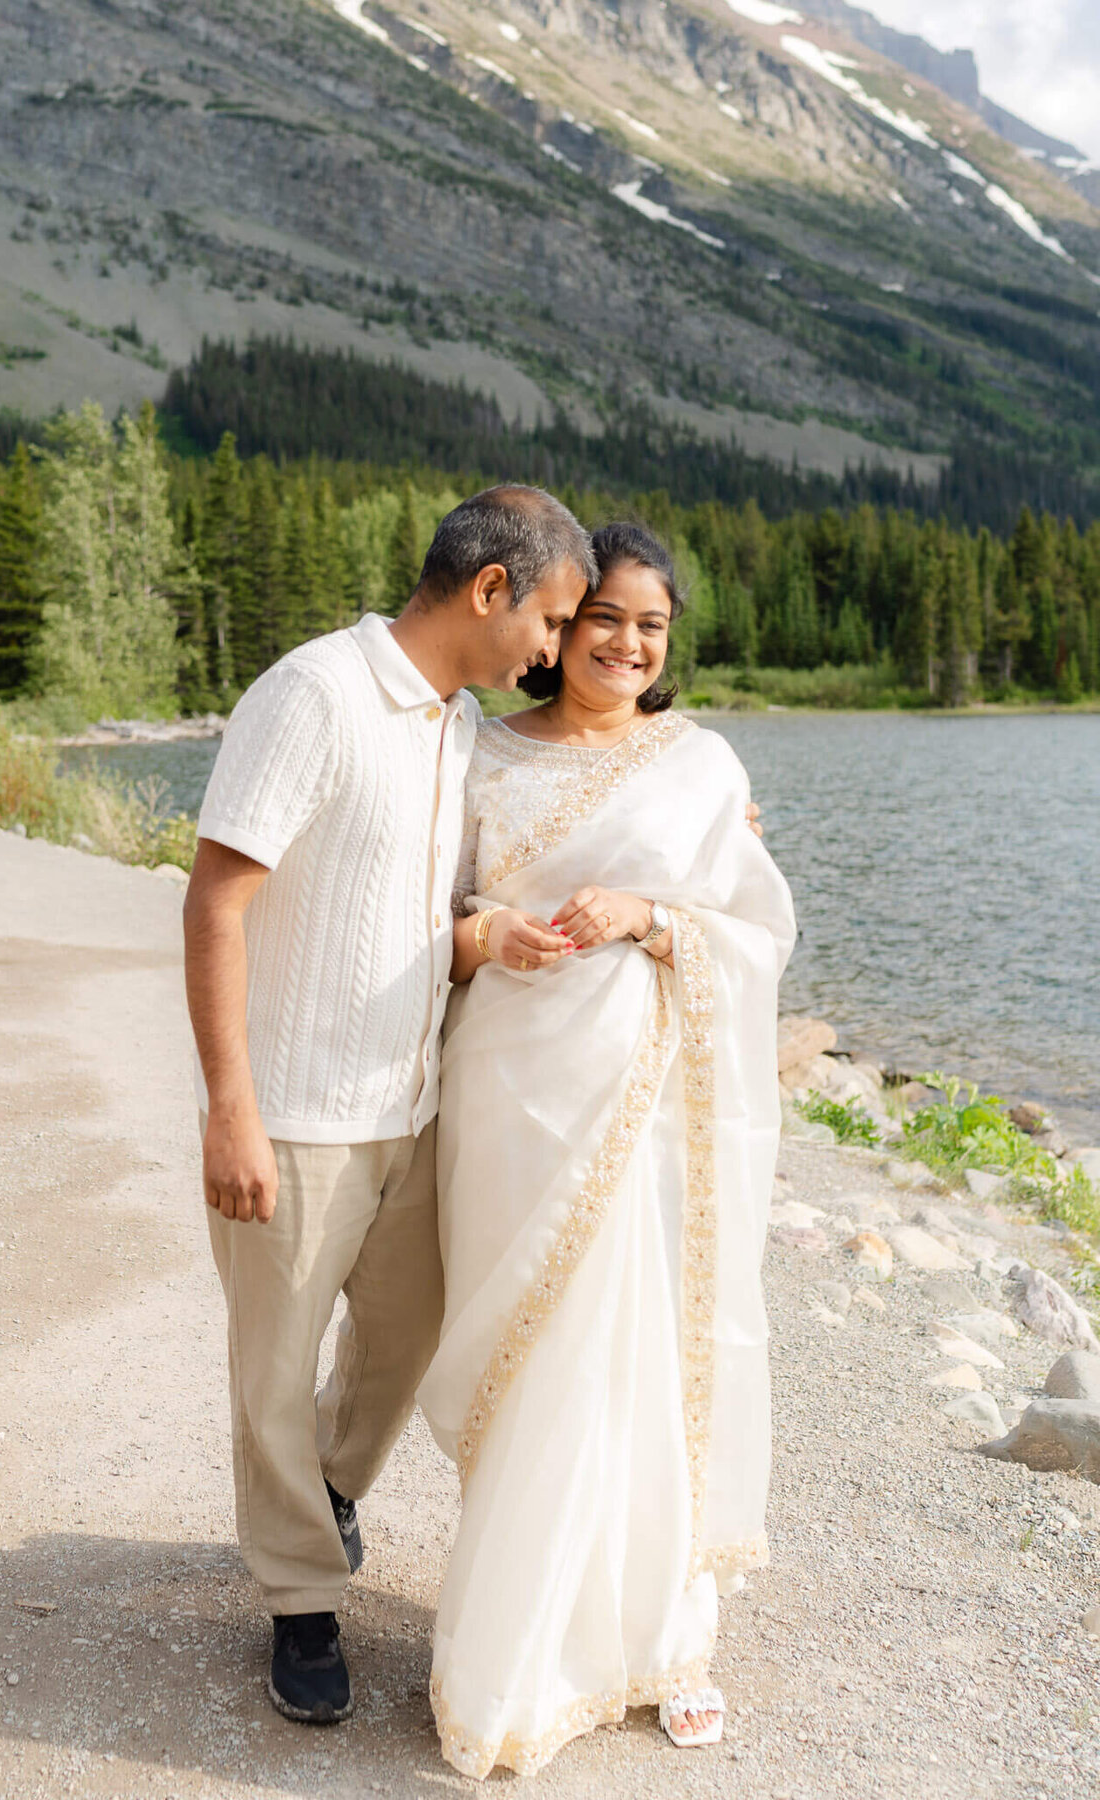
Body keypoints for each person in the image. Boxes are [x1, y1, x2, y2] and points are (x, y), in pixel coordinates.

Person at [183, 486, 597, 1725]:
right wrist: (229, 1110)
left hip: (412, 1111)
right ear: (489, 589)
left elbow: (424, 913)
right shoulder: (312, 695)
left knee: (406, 1340)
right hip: (296, 1118)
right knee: (272, 1370)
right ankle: (301, 1600)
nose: (552, 648)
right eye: (552, 617)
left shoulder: (456, 728)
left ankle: (325, 1494)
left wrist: (489, 936)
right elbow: (215, 905)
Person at [418, 522, 797, 1778]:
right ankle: (522, 1652)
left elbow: (756, 926)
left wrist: (651, 914)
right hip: (512, 1095)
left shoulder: (696, 766)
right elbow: (434, 906)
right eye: (605, 621)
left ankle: (664, 1640)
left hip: (648, 1109)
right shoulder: (475, 755)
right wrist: (485, 936)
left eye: (652, 626)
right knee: (537, 1368)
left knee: (642, 1358)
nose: (629, 645)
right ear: (557, 628)